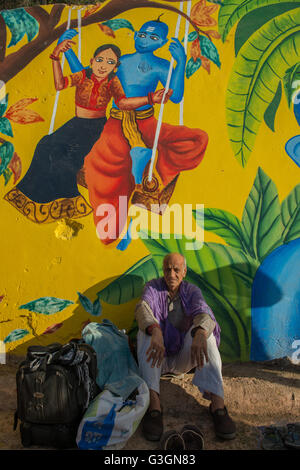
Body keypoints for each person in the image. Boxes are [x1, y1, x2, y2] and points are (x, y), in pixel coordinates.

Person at [61, 17, 208, 245]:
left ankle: (148, 178)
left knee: (195, 140)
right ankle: (121, 219)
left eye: (153, 37)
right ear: (136, 33)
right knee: (101, 167)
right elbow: (88, 77)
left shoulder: (162, 66)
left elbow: (176, 96)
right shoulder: (120, 62)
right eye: (142, 34)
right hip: (115, 123)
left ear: (163, 42)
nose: (145, 39)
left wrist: (180, 63)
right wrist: (67, 53)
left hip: (147, 122)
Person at [4, 39, 170, 224]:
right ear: (92, 61)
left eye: (110, 62)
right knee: (44, 145)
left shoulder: (113, 82)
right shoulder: (83, 76)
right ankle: (32, 197)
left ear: (115, 66)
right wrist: (55, 56)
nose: (103, 66)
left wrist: (150, 98)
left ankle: (67, 204)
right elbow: (60, 85)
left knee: (66, 158)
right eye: (100, 60)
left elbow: (123, 103)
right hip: (76, 123)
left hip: (95, 127)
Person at [135, 252, 236, 442]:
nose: (171, 274)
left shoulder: (192, 291)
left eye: (176, 270)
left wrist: (200, 333)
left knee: (206, 334)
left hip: (183, 359)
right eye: (167, 269)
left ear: (184, 272)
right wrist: (155, 331)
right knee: (145, 332)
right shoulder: (152, 287)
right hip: (158, 357)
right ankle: (154, 407)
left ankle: (217, 406)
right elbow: (143, 308)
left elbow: (204, 313)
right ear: (163, 271)